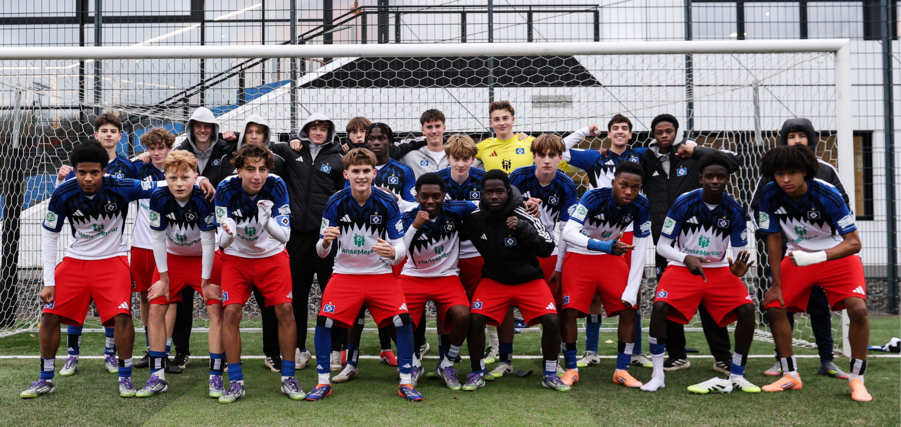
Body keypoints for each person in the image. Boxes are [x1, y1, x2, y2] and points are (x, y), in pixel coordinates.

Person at [22, 141, 171, 399]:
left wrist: (199, 179)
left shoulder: (121, 186)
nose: (88, 178)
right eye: (82, 172)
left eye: (94, 172)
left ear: (104, 171)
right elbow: (49, 236)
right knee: (49, 315)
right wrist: (49, 281)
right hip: (75, 263)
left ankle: (125, 379)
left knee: (123, 316)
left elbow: (161, 185)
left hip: (112, 261)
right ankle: (45, 378)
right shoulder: (63, 193)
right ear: (75, 171)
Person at [307, 148, 422, 402]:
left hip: (379, 275)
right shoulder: (335, 202)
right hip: (345, 274)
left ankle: (406, 380)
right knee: (324, 321)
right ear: (346, 174)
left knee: (402, 320)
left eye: (366, 171)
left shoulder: (387, 202)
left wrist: (392, 251)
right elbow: (322, 252)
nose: (361, 176)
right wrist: (325, 242)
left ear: (374, 172)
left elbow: (401, 249)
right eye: (356, 171)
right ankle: (323, 381)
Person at [758, 145, 872, 402]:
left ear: (806, 172)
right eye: (779, 173)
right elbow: (773, 238)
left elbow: (854, 243)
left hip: (837, 256)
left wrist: (815, 257)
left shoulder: (827, 194)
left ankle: (857, 379)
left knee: (858, 310)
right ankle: (790, 375)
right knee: (775, 305)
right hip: (797, 257)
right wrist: (775, 283)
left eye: (792, 172)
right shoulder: (769, 193)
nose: (785, 179)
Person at [641, 152, 759, 394]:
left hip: (718, 270)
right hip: (682, 266)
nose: (715, 181)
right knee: (660, 306)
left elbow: (738, 257)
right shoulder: (684, 202)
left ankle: (737, 373)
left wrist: (738, 269)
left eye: (720, 177)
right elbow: (663, 246)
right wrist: (686, 257)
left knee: (748, 310)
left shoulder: (735, 209)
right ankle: (657, 374)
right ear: (700, 178)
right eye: (709, 176)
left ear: (727, 180)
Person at [750, 118, 850, 379]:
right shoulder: (772, 174)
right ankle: (781, 360)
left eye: (801, 136)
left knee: (820, 306)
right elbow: (756, 209)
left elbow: (844, 207)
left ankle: (827, 360)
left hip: (821, 254)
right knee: (781, 303)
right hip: (785, 252)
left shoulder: (826, 170)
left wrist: (824, 244)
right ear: (784, 139)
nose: (797, 141)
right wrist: (775, 237)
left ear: (812, 139)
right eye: (791, 136)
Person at [640, 113, 736, 372]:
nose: (664, 136)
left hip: (700, 237)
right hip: (666, 240)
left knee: (710, 298)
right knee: (668, 297)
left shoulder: (694, 157)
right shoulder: (645, 158)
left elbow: (732, 161)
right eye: (659, 131)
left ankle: (722, 356)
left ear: (677, 132)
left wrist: (696, 150)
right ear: (653, 134)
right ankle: (677, 354)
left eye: (669, 131)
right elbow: (620, 160)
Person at [460, 170, 569, 392]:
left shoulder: (525, 213)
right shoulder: (474, 217)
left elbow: (547, 247)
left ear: (508, 192)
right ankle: (477, 372)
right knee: (476, 319)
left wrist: (522, 228)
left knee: (552, 320)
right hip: (494, 280)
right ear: (482, 194)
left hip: (528, 280)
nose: (494, 196)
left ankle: (550, 373)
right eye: (488, 192)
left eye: (499, 191)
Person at [562, 114, 653, 369]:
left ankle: (636, 352)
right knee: (594, 296)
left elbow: (669, 147)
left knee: (629, 293)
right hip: (595, 231)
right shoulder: (596, 157)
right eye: (615, 128)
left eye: (625, 128)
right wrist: (585, 131)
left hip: (629, 231)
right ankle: (591, 351)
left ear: (631, 134)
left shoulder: (642, 155)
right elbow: (559, 150)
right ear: (609, 133)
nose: (620, 131)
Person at [213, 143, 301, 403]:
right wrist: (227, 232)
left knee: (285, 309)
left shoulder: (277, 185)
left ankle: (288, 377)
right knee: (231, 311)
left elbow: (285, 236)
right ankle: (236, 381)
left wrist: (266, 221)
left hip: (271, 256)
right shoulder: (226, 188)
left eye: (262, 169)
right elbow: (221, 241)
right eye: (250, 169)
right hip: (237, 258)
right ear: (238, 169)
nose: (257, 176)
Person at [331, 123, 416, 382]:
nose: (377, 142)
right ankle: (352, 361)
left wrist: (398, 202)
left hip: (389, 247)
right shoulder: (348, 183)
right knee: (355, 312)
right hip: (353, 261)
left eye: (382, 138)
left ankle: (403, 357)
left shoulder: (402, 171)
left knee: (389, 316)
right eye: (372, 138)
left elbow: (414, 204)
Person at [55, 113, 138, 376]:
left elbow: (143, 191)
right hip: (79, 250)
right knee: (73, 309)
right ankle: (71, 355)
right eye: (104, 130)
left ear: (120, 136)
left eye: (114, 130)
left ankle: (110, 354)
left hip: (112, 251)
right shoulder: (76, 168)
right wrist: (60, 179)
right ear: (96, 134)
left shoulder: (128, 167)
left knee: (114, 309)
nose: (109, 134)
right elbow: (60, 202)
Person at [139, 150, 223, 398]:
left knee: (216, 309)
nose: (179, 183)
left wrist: (206, 282)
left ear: (195, 177)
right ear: (165, 177)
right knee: (156, 307)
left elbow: (209, 241)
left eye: (185, 177)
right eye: (173, 177)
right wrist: (163, 278)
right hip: (172, 259)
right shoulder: (159, 196)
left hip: (203, 259)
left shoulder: (204, 196)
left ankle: (216, 376)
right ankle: (157, 376)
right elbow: (157, 237)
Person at [496, 134, 578, 379]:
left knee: (552, 309)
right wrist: (521, 205)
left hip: (548, 252)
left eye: (552, 155)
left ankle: (552, 361)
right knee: (507, 305)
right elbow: (500, 212)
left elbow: (566, 231)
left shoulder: (566, 185)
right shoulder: (518, 177)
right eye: (541, 155)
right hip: (516, 251)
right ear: (534, 156)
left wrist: (560, 266)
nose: (546, 160)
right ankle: (505, 360)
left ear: (560, 158)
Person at [168, 107, 239, 373]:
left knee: (216, 301)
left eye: (207, 126)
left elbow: (253, 150)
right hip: (184, 233)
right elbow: (169, 172)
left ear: (214, 129)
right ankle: (181, 351)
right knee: (180, 301)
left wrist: (238, 135)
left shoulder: (227, 148)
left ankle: (220, 355)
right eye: (197, 125)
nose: (202, 130)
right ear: (191, 128)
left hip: (215, 231)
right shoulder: (179, 150)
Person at [398, 173, 480, 390]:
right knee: (393, 318)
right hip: (413, 276)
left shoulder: (456, 209)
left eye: (436, 196)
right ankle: (414, 363)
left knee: (463, 315)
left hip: (447, 276)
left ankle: (447, 363)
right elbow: (400, 251)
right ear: (417, 196)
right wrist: (415, 226)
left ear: (444, 196)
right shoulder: (407, 217)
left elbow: (487, 203)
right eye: (425, 196)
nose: (430, 201)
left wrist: (526, 203)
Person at [129, 129, 175, 371]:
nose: (157, 153)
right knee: (145, 296)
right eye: (152, 148)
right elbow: (118, 171)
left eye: (161, 147)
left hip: (169, 246)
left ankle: (164, 350)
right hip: (141, 244)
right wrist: (137, 160)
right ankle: (151, 349)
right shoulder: (139, 169)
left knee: (169, 298)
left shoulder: (177, 170)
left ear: (169, 148)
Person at [401, 109, 450, 176]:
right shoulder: (411, 157)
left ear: (444, 128)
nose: (434, 131)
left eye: (437, 126)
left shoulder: (455, 155)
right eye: (429, 127)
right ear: (423, 130)